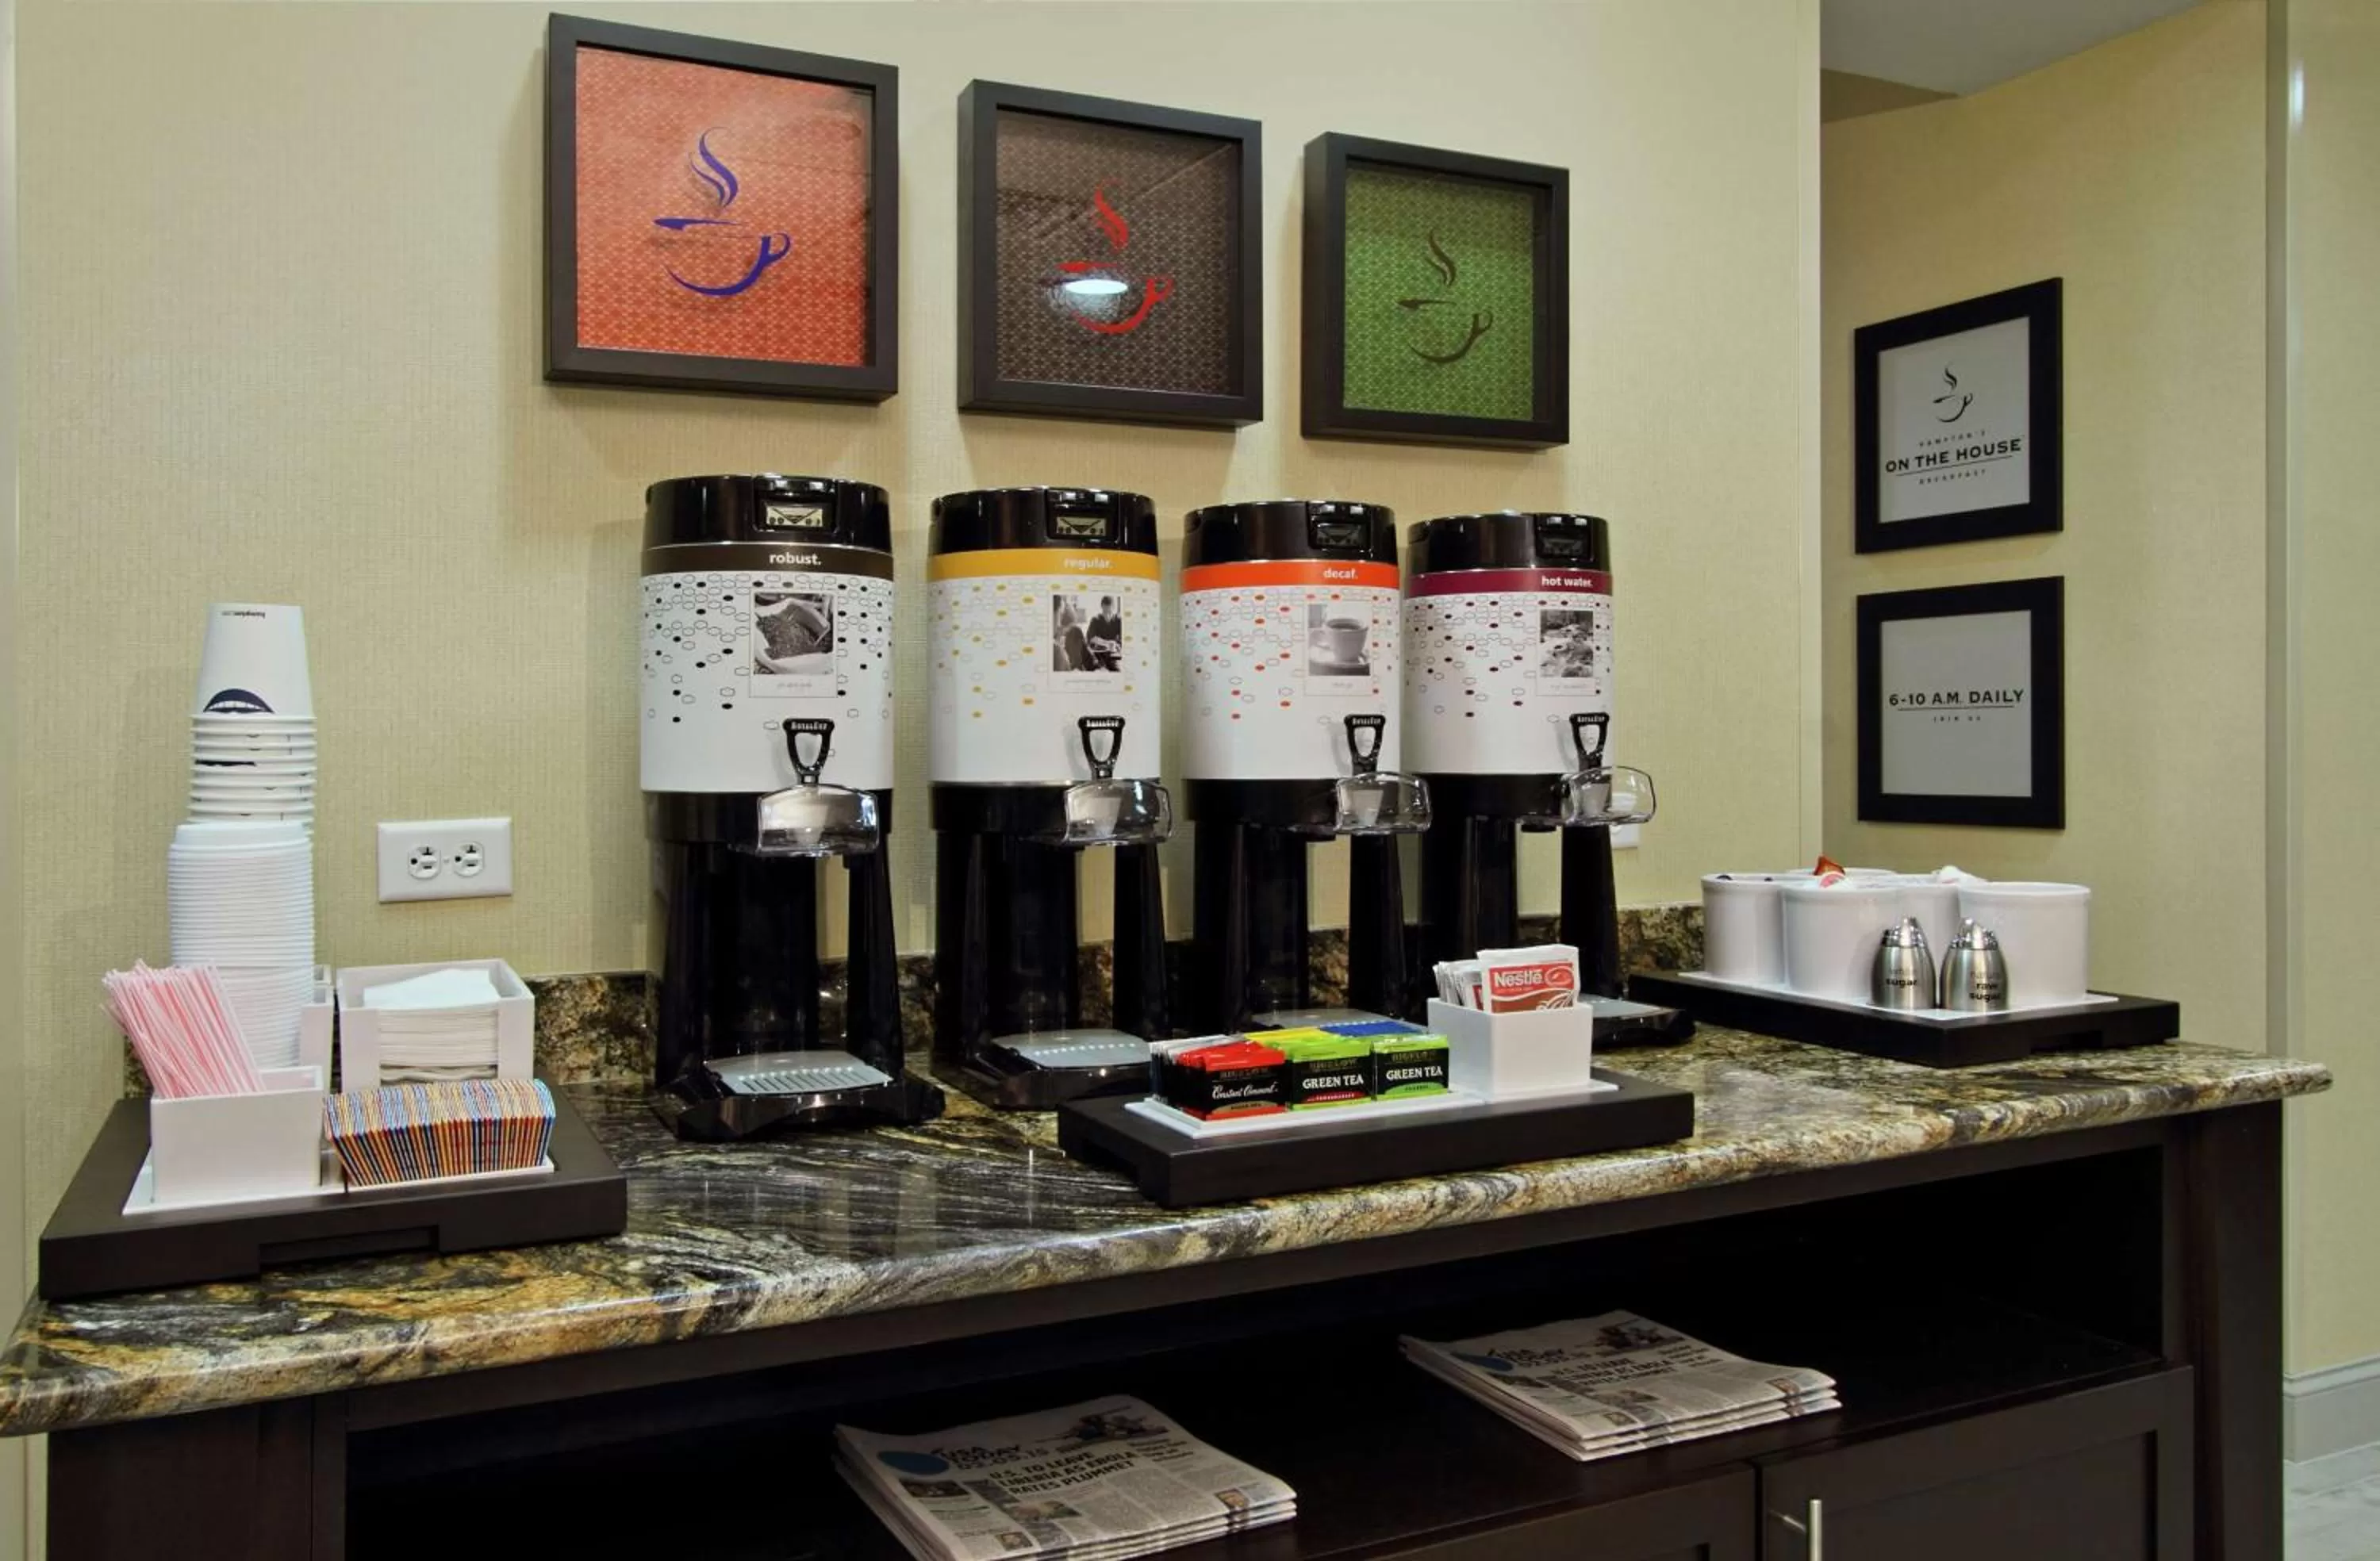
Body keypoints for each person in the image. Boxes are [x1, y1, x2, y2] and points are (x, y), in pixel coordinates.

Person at [1087, 595, 1123, 671]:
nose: (1107, 615)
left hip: (1113, 655)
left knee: (1117, 670)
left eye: (1110, 612)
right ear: (1102, 607)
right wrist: (1107, 643)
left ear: (1113, 608)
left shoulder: (1118, 620)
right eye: (1105, 612)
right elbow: (1091, 638)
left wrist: (1118, 645)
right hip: (1099, 655)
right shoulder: (1095, 620)